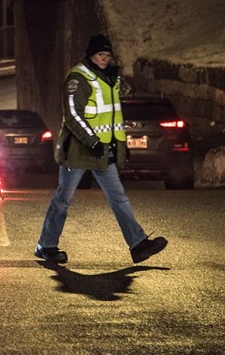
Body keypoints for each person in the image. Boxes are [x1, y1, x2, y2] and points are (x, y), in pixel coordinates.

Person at [35, 34, 168, 264]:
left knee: (119, 198)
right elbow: (73, 116)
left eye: (107, 55)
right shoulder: (78, 79)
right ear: (90, 55)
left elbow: (114, 116)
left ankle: (138, 245)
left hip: (103, 151)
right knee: (63, 199)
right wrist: (92, 141)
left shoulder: (109, 79)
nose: (105, 59)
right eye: (100, 55)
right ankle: (46, 246)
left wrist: (120, 145)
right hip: (78, 151)